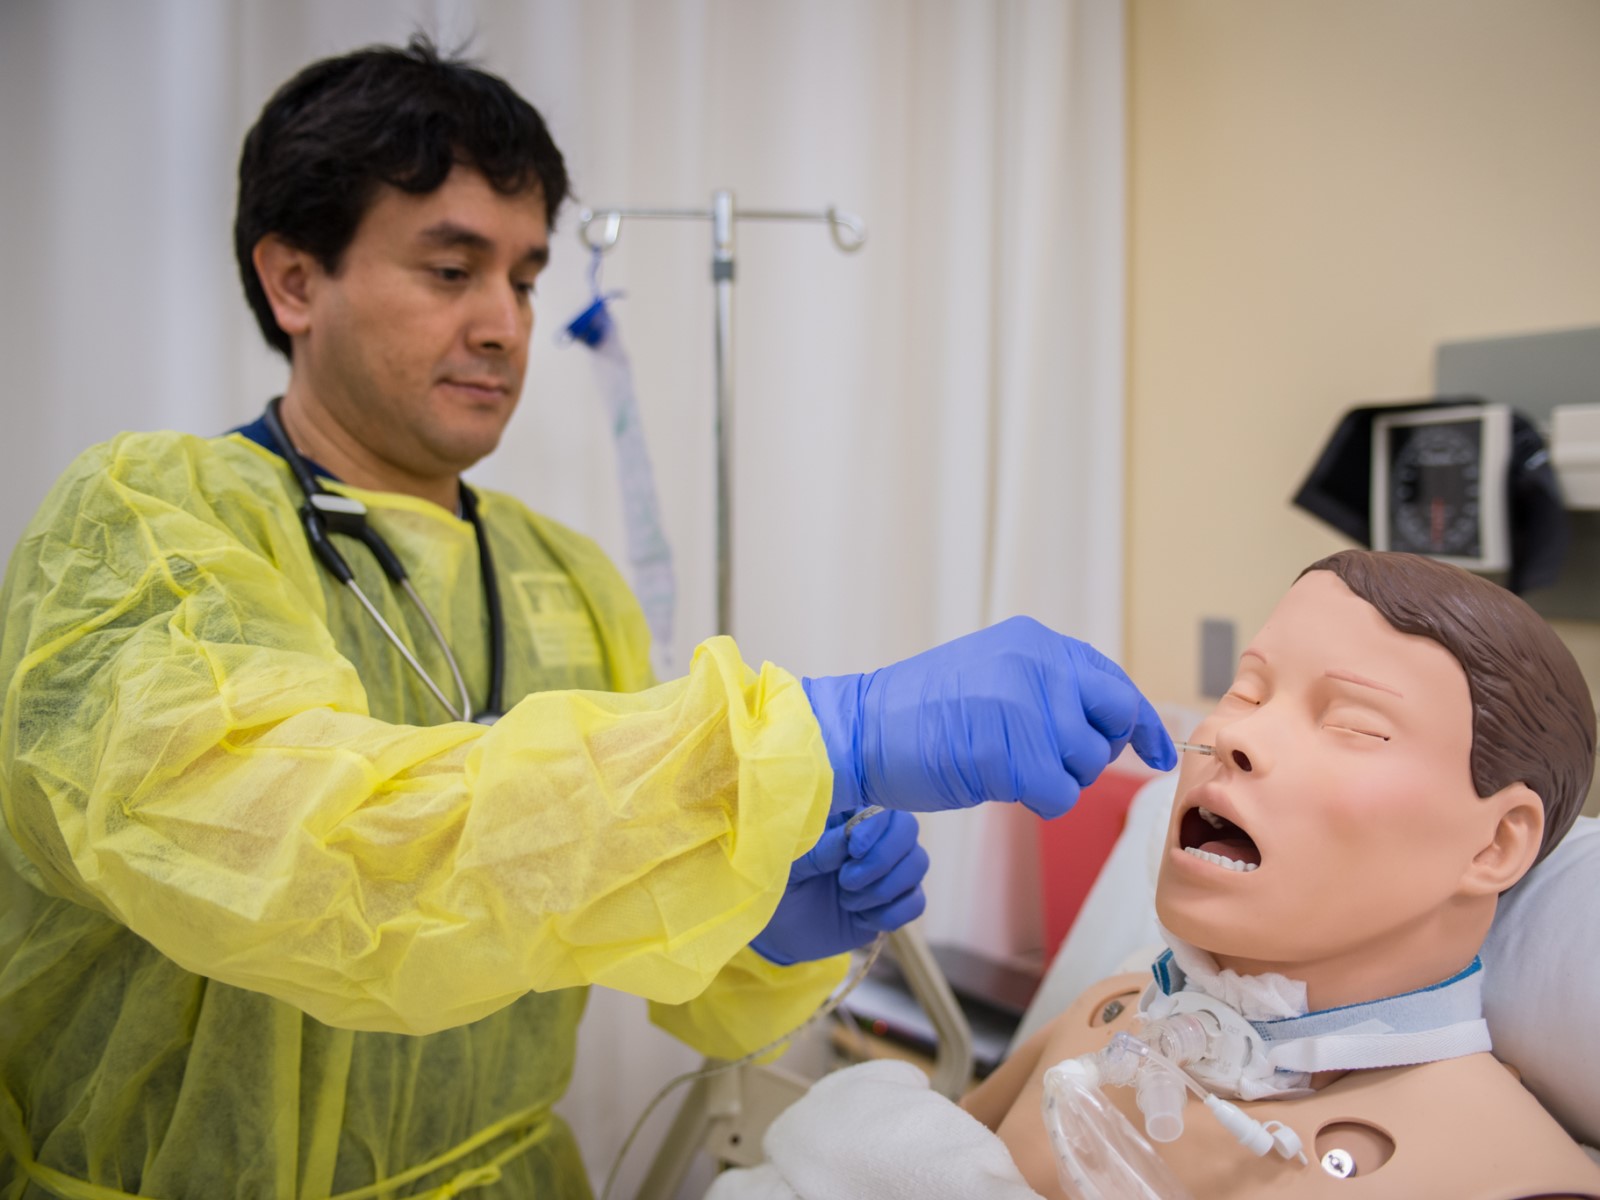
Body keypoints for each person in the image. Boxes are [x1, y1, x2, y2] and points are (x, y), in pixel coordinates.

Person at [0, 36, 1173, 1199]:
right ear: (295, 280)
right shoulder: (144, 533)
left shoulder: (562, 580)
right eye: (451, 271)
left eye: (522, 275)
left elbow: (629, 930)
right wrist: (825, 733)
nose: (506, 325)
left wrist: (760, 924)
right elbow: (304, 859)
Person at [962, 550, 1600, 1198]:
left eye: (1353, 724)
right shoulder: (1102, 1022)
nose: (1238, 735)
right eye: (1247, 691)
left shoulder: (1500, 1173)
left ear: (1493, 844)